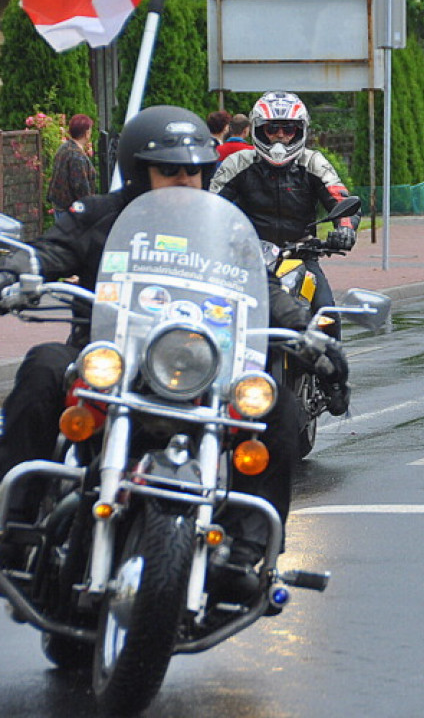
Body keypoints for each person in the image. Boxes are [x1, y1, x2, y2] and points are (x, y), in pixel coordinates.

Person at [0, 106, 349, 587]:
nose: (184, 179)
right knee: (43, 365)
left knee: (279, 407)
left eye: (194, 170)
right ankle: (15, 524)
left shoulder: (225, 228)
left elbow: (262, 287)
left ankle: (245, 553)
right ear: (141, 170)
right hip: (110, 361)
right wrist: (21, 269)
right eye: (170, 170)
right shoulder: (101, 215)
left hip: (201, 371)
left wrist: (307, 331)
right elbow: (53, 250)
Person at [211, 91, 359, 318]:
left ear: (299, 131)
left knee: (326, 313)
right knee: (217, 313)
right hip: (248, 259)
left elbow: (340, 199)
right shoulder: (237, 163)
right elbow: (211, 206)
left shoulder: (312, 162)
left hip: (301, 255)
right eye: (272, 129)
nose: (280, 136)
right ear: (259, 130)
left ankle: (330, 355)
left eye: (288, 129)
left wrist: (345, 229)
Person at [46, 113, 95, 218]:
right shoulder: (77, 156)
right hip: (72, 212)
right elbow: (80, 186)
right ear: (86, 133)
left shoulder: (63, 148)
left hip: (59, 207)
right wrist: (90, 208)